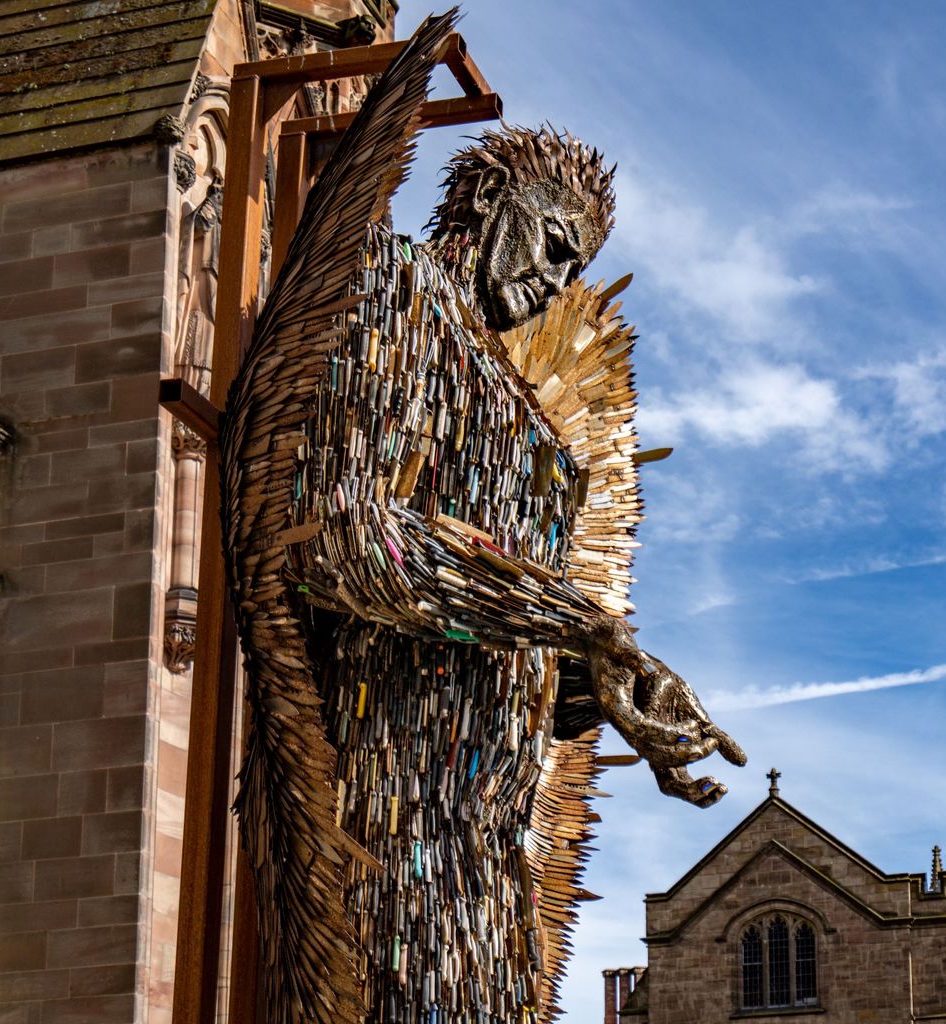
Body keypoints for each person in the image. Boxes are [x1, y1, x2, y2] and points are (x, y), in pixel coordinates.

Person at [222, 13, 742, 1022]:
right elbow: (340, 537)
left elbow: (513, 656)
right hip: (385, 818)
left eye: (571, 269)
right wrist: (572, 617)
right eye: (552, 246)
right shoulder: (392, 291)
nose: (552, 282)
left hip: (482, 853)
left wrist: (608, 685)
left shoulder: (525, 421)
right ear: (494, 197)